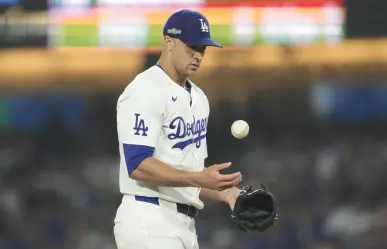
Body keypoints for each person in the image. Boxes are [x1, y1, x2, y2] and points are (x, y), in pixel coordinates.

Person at [113, 9, 242, 249]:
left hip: (184, 225)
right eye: (191, 46)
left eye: (202, 48)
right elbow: (138, 164)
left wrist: (224, 193)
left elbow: (187, 171)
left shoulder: (200, 98)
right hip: (148, 218)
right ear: (169, 42)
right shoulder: (145, 89)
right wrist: (199, 178)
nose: (198, 55)